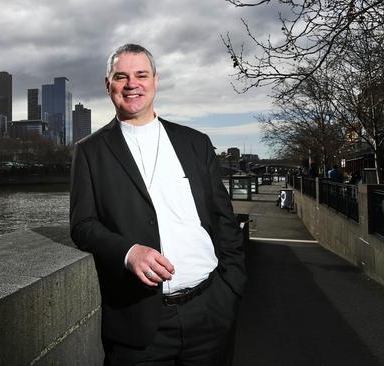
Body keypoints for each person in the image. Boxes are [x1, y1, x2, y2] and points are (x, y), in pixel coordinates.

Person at [70, 44, 246, 365]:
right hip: (138, 324)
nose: (132, 84)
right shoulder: (89, 151)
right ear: (107, 84)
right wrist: (128, 252)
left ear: (155, 80)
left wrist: (231, 287)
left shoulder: (195, 143)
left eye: (141, 75)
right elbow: (82, 225)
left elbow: (224, 221)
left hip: (210, 311)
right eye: (121, 77)